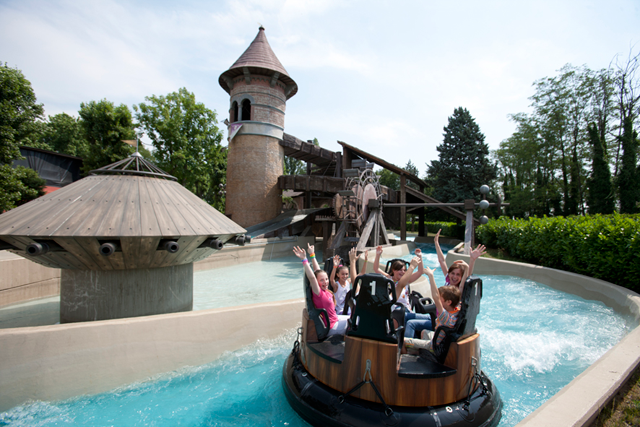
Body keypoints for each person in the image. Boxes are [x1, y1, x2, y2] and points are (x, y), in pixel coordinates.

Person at [373, 246, 432, 337]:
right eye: (400, 270)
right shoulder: (389, 279)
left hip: (406, 310)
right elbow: (376, 269)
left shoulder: (406, 280)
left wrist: (419, 257)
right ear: (393, 270)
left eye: (404, 270)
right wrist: (378, 255)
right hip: (394, 310)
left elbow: (420, 272)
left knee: (417, 320)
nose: (403, 272)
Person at [293, 245, 350, 336]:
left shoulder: (325, 291)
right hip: (331, 327)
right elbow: (312, 277)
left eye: (326, 279)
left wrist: (312, 254)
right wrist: (304, 259)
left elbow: (318, 271)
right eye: (322, 280)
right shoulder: (318, 293)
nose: (326, 282)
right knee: (356, 324)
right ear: (317, 282)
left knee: (356, 318)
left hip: (335, 319)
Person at [405, 266, 461, 354]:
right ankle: (424, 354)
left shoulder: (445, 317)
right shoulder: (457, 311)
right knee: (424, 332)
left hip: (434, 345)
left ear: (448, 302)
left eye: (441, 298)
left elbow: (435, 297)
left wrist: (431, 276)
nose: (438, 300)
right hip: (439, 340)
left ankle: (408, 354)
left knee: (402, 340)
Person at [435, 229, 486, 295]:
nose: (454, 277)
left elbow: (468, 275)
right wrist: (436, 243)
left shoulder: (461, 287)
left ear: (462, 277)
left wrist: (472, 260)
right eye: (453, 273)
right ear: (449, 274)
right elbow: (442, 261)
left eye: (458, 274)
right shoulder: (448, 279)